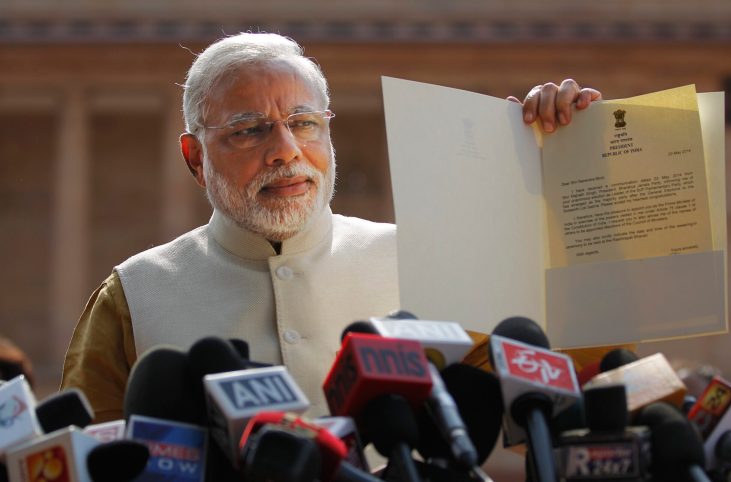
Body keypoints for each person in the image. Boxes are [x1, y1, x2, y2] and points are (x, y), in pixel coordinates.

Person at [60, 32, 601, 423]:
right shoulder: (132, 295)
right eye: (250, 131)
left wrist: (568, 181)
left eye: (303, 123)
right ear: (195, 158)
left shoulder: (421, 264)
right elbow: (78, 452)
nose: (286, 151)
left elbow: (569, 393)